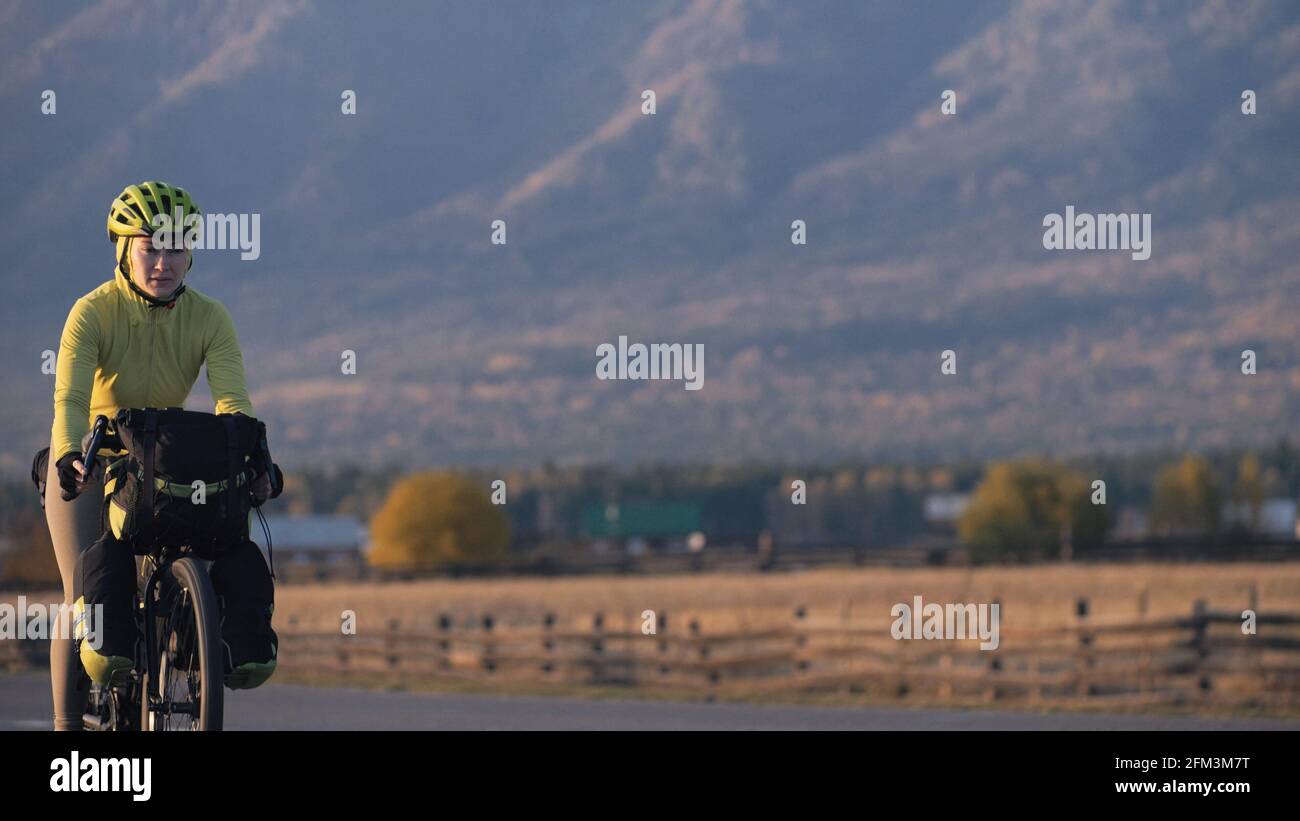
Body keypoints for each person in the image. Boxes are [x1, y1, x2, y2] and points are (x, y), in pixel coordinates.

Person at [44, 181, 278, 730]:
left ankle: (177, 630)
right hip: (92, 459)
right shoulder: (91, 312)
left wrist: (253, 460)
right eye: (152, 247)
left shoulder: (210, 318)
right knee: (81, 593)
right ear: (125, 250)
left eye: (177, 248)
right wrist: (66, 456)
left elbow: (232, 404)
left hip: (162, 461)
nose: (164, 263)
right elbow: (71, 398)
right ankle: (66, 728)